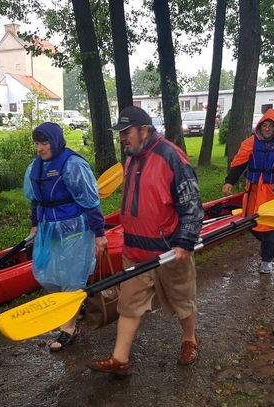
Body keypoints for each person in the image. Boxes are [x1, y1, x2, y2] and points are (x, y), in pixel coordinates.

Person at [87, 106, 204, 376]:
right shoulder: (131, 158)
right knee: (128, 305)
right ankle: (120, 359)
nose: (122, 139)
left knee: (183, 302)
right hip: (134, 251)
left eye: (126, 133)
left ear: (145, 130)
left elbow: (192, 204)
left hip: (168, 251)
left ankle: (189, 340)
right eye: (120, 134)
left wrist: (185, 241)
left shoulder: (171, 156)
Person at [24, 122, 108, 351]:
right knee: (48, 276)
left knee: (72, 278)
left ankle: (68, 327)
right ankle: (72, 308)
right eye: (37, 144)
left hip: (75, 229)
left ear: (56, 142)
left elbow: (90, 202)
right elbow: (36, 199)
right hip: (47, 229)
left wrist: (99, 234)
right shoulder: (35, 167)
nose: (40, 148)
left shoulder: (73, 165)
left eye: (45, 143)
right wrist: (34, 225)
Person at [222, 108, 274, 274]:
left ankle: (267, 260)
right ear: (260, 127)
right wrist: (229, 181)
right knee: (250, 223)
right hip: (253, 192)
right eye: (264, 125)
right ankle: (266, 244)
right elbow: (239, 164)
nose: (267, 129)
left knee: (270, 226)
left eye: (270, 126)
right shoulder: (250, 143)